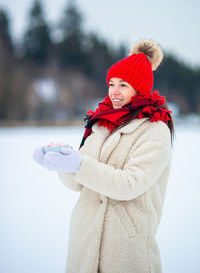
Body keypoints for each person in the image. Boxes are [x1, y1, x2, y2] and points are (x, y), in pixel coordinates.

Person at [33, 39, 174, 273]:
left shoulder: (155, 130)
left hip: (126, 249)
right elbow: (78, 182)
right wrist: (61, 161)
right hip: (85, 242)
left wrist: (79, 165)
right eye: (111, 84)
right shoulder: (102, 123)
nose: (114, 92)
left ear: (139, 88)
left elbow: (130, 184)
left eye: (123, 85)